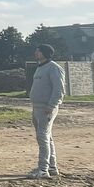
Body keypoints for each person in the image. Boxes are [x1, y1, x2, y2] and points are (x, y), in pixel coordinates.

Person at [28, 43, 64, 179]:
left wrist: (52, 105)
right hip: (37, 107)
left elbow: (59, 90)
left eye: (38, 51)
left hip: (46, 108)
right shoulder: (40, 67)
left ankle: (43, 170)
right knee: (46, 138)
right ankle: (52, 167)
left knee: (42, 138)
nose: (36, 53)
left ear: (44, 53)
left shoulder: (54, 68)